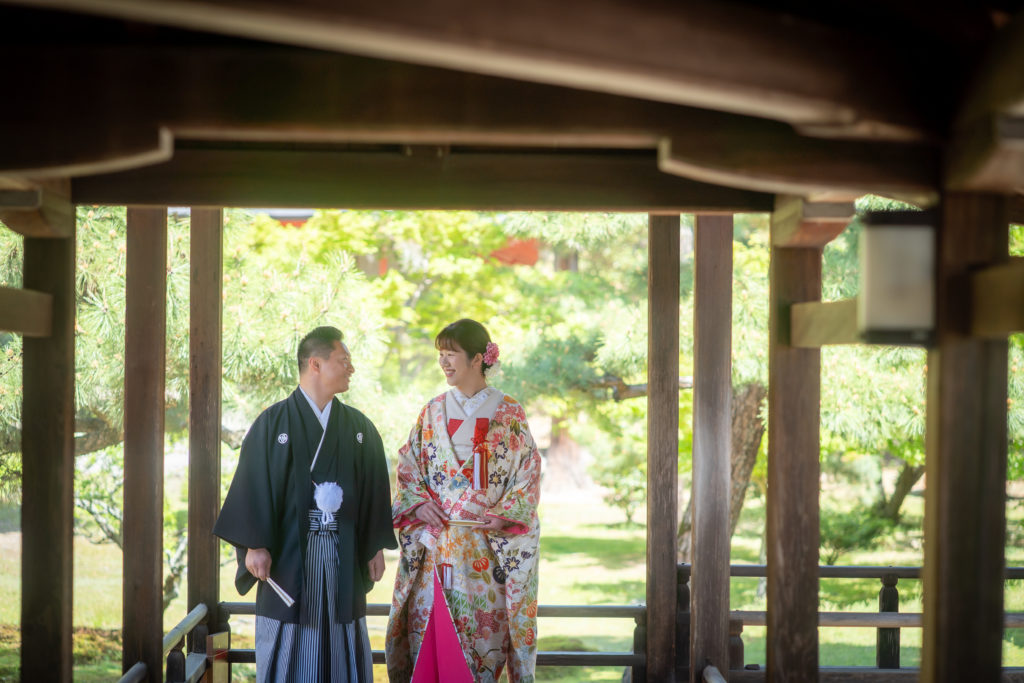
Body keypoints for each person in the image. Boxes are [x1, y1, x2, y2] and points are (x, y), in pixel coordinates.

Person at [214, 326, 397, 683]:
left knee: (342, 636)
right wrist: (254, 543)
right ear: (315, 363)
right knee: (291, 637)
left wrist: (374, 546)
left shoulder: (359, 428)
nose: (351, 369)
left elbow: (375, 489)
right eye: (343, 361)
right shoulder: (273, 423)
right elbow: (253, 483)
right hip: (289, 555)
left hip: (344, 552)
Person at [386, 319, 541, 682]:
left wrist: (505, 515)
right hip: (436, 548)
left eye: (451, 353)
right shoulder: (432, 411)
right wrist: (419, 503)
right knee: (431, 641)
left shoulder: (509, 412)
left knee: (482, 641)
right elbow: (409, 467)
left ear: (477, 358)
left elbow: (528, 474)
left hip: (486, 551)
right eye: (440, 354)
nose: (444, 362)